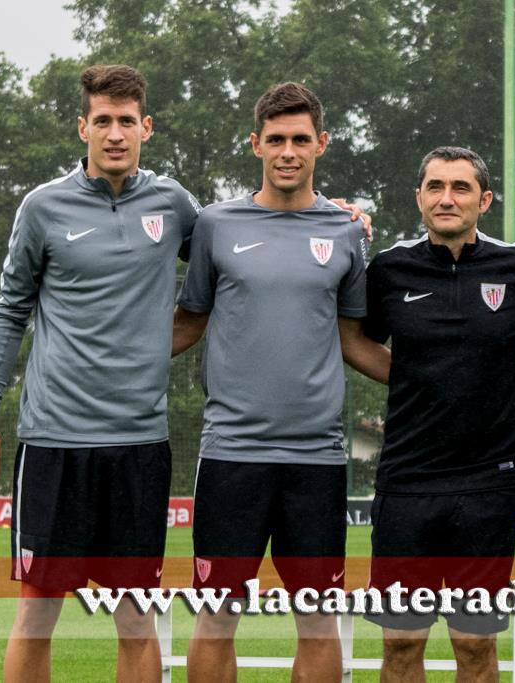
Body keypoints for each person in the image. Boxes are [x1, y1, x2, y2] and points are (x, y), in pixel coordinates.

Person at [0, 64, 202, 682]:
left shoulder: (173, 204)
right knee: (37, 613)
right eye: (104, 121)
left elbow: (233, 259)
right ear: (83, 128)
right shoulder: (42, 208)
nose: (116, 133)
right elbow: (11, 311)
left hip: (138, 445)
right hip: (53, 444)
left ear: (146, 127)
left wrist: (319, 214)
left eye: (127, 121)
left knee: (135, 617)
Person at [171, 81, 388, 683]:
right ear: (255, 144)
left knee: (318, 619)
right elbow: (188, 322)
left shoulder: (348, 232)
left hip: (315, 458)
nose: (287, 151)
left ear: (320, 143)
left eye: (299, 139)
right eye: (275, 139)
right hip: (231, 454)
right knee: (216, 615)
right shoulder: (215, 224)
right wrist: (105, 363)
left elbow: (352, 340)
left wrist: (437, 386)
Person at [361, 146, 515, 682]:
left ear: (484, 200)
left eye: (461, 187)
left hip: (489, 485)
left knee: (474, 648)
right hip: (407, 482)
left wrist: (490, 367)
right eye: (435, 186)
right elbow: (357, 339)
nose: (447, 198)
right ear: (418, 196)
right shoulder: (390, 268)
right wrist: (422, 373)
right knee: (400, 648)